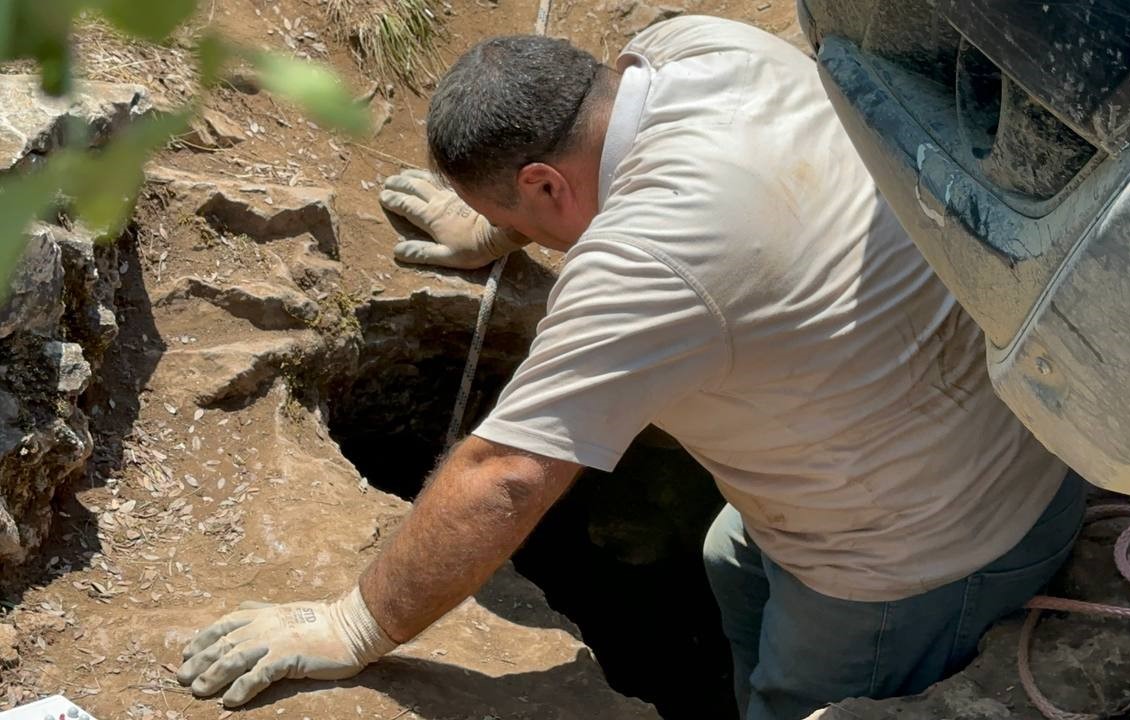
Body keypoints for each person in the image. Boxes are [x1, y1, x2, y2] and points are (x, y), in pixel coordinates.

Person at [174, 16, 1084, 720]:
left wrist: (352, 627)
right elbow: (584, 153)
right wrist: (498, 226)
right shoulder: (699, 49)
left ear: (544, 184)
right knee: (730, 561)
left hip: (927, 552)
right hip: (974, 426)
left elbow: (507, 477)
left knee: (791, 701)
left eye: (524, 213)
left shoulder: (654, 261)